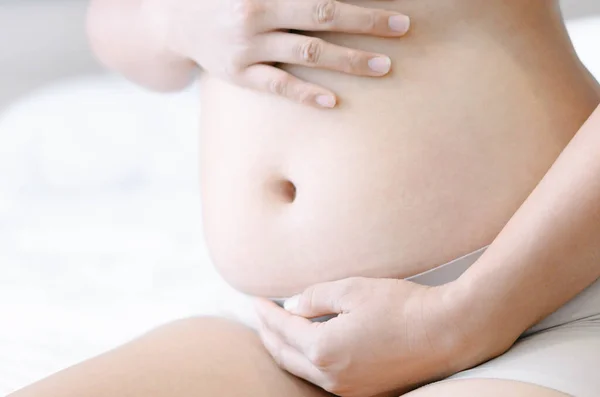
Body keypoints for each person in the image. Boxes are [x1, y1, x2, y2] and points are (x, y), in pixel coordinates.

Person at [11, 0, 600, 396]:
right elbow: (115, 29)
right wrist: (177, 21)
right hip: (288, 335)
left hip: (532, 310)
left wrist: (462, 320)